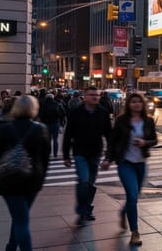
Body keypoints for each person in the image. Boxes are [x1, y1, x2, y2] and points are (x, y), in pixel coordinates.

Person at [102, 93, 157, 246]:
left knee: (134, 197)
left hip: (141, 164)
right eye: (133, 101)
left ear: (143, 104)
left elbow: (155, 140)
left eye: (139, 101)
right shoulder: (121, 121)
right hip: (125, 163)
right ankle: (135, 232)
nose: (137, 104)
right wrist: (108, 159)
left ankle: (123, 212)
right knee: (132, 196)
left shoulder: (148, 121)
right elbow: (112, 142)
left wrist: (145, 142)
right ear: (129, 104)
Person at [0, 95, 50, 251]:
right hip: (32, 179)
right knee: (21, 217)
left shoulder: (4, 129)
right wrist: (41, 178)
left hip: (8, 180)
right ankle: (12, 246)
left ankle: (13, 246)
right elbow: (45, 158)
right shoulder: (40, 129)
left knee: (20, 218)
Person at [62, 85, 112, 226]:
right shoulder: (76, 113)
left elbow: (109, 136)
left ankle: (86, 210)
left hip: (96, 154)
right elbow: (68, 135)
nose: (95, 97)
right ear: (85, 97)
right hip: (80, 153)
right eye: (91, 95)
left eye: (97, 95)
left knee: (90, 184)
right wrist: (66, 155)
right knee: (83, 181)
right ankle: (83, 210)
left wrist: (109, 157)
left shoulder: (103, 113)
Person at [38, 93, 64, 158]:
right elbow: (63, 113)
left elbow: (41, 114)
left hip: (46, 123)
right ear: (53, 98)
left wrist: (43, 121)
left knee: (48, 139)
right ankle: (55, 154)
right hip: (55, 123)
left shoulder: (44, 105)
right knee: (55, 139)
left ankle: (48, 153)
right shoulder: (57, 104)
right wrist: (61, 121)